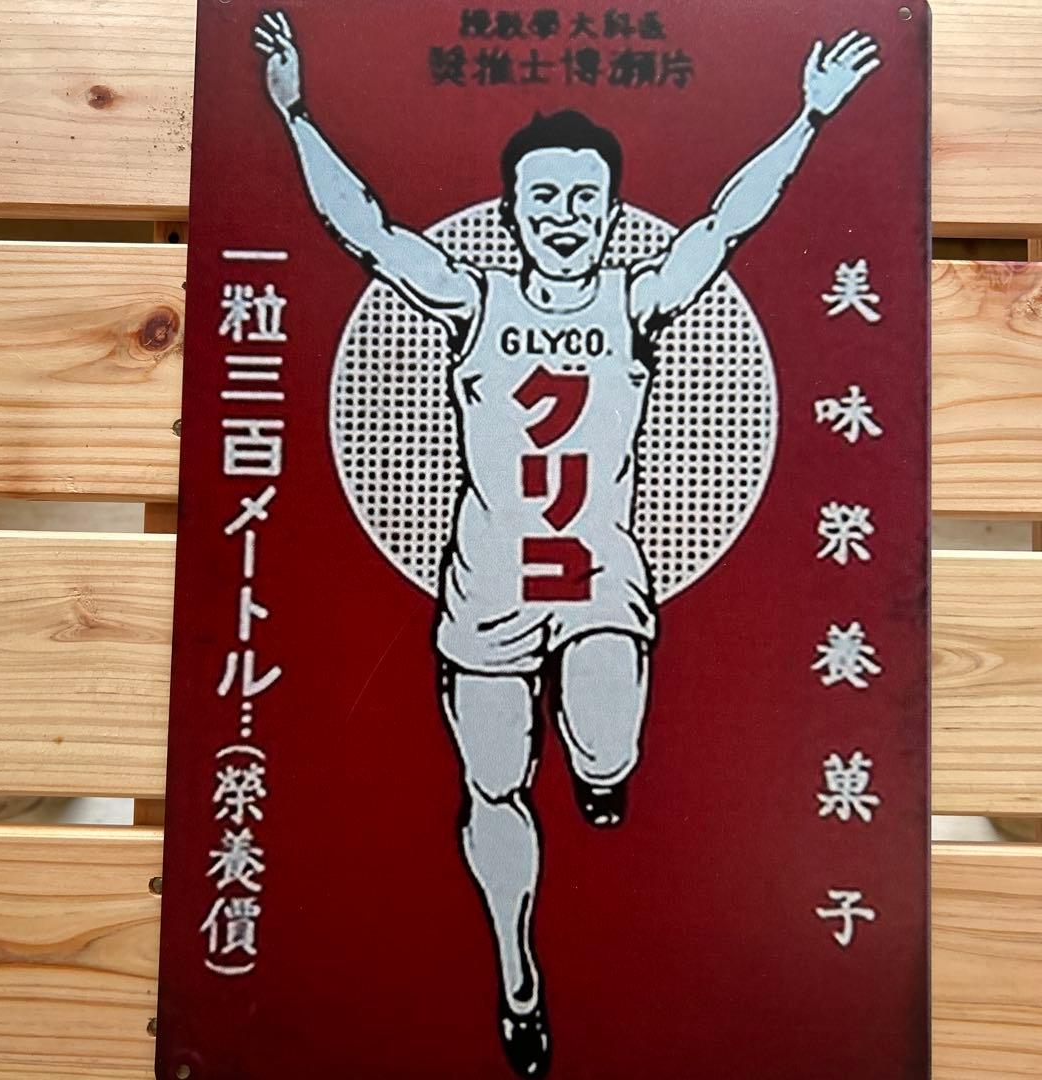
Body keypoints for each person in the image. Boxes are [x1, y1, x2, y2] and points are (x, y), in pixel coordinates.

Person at [253, 12, 880, 1075]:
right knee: (494, 785)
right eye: (542, 197)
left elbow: (727, 222)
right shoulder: (473, 298)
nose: (563, 217)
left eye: (583, 198)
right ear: (510, 209)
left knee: (605, 749)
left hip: (599, 586)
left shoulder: (637, 300)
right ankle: (517, 976)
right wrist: (295, 112)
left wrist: (808, 116)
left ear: (609, 212)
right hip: (487, 599)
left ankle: (600, 773)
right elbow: (364, 227)